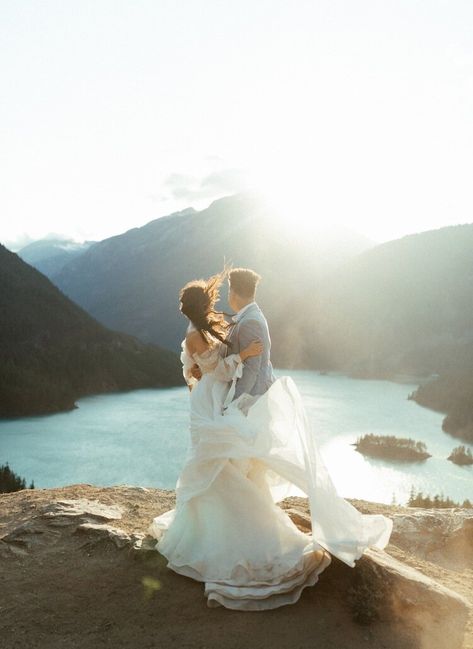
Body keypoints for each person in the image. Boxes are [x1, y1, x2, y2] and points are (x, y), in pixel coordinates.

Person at [147, 267, 393, 611]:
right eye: (212, 299)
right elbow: (216, 369)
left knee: (222, 463)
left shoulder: (211, 326)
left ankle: (220, 527)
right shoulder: (196, 334)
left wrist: (216, 368)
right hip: (210, 400)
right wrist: (239, 358)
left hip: (216, 397)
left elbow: (207, 366)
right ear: (201, 306)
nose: (218, 301)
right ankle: (225, 529)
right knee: (216, 462)